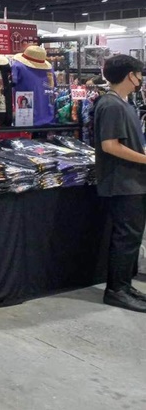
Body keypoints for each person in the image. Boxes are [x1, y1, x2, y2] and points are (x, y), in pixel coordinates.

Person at [94, 55, 146, 312]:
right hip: (122, 183)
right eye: (139, 75)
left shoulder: (123, 104)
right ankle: (116, 290)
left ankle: (124, 285)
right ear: (130, 75)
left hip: (132, 182)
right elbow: (110, 146)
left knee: (131, 237)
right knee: (126, 237)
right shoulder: (111, 105)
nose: (141, 80)